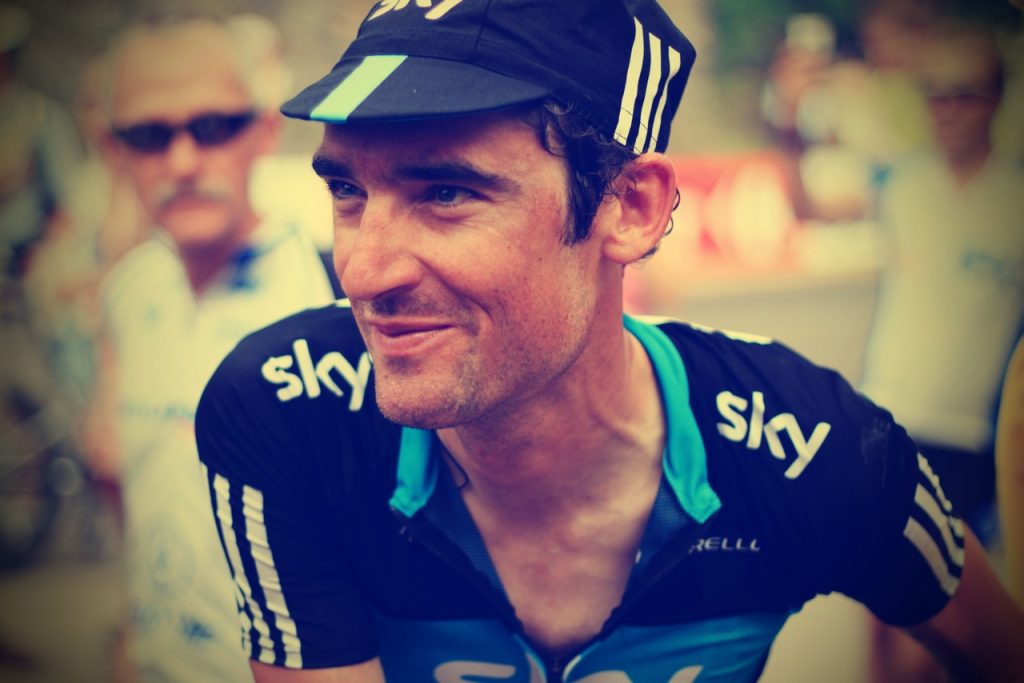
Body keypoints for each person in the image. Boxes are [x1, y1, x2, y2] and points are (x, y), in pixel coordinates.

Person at [195, 1, 1024, 681]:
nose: (362, 271)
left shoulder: (816, 446)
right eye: (346, 189)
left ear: (630, 207)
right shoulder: (285, 409)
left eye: (445, 192)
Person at [84, 13, 337, 682]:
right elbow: (126, 476)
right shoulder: (128, 292)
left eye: (214, 126)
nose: (184, 162)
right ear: (114, 150)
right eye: (149, 136)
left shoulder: (327, 294)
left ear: (265, 131)